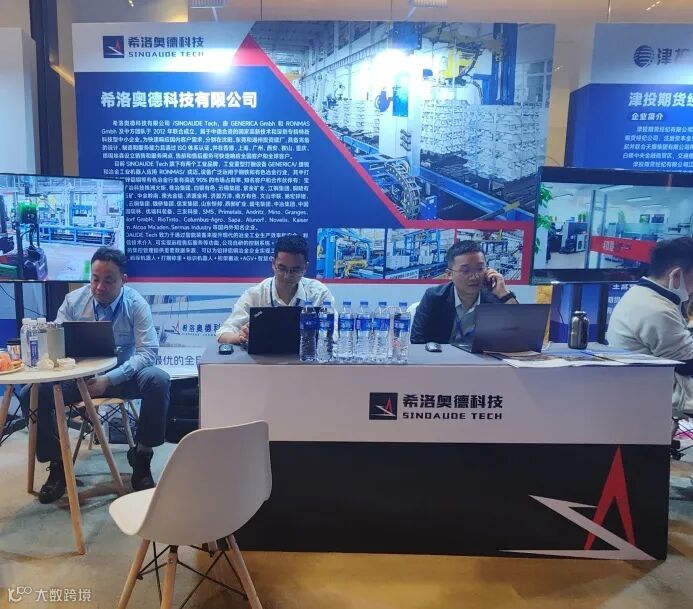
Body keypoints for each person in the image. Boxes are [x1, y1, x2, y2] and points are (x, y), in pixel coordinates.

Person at [20, 247, 170, 503]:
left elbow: (148, 352)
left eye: (108, 280)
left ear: (123, 280)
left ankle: (142, 456)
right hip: (79, 379)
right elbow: (55, 344)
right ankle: (58, 464)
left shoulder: (136, 304)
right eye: (95, 279)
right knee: (30, 393)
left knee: (158, 380)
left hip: (122, 378)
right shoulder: (73, 302)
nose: (99, 287)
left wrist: (109, 379)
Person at [606, 237, 693, 414]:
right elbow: (688, 363)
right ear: (676, 275)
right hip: (668, 400)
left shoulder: (645, 294)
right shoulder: (656, 309)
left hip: (649, 392)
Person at [217, 234, 335, 345]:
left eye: (295, 270)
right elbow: (223, 333)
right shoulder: (255, 294)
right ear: (273, 263)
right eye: (282, 269)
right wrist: (241, 337)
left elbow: (335, 334)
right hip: (263, 359)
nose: (287, 276)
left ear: (305, 267)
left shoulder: (319, 293)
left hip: (307, 357)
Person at [411, 240, 518, 344]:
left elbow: (518, 334)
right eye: (465, 271)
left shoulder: (495, 297)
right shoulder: (434, 297)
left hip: (482, 356)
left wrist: (505, 295)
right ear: (449, 274)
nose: (474, 277)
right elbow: (417, 340)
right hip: (443, 355)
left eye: (480, 268)